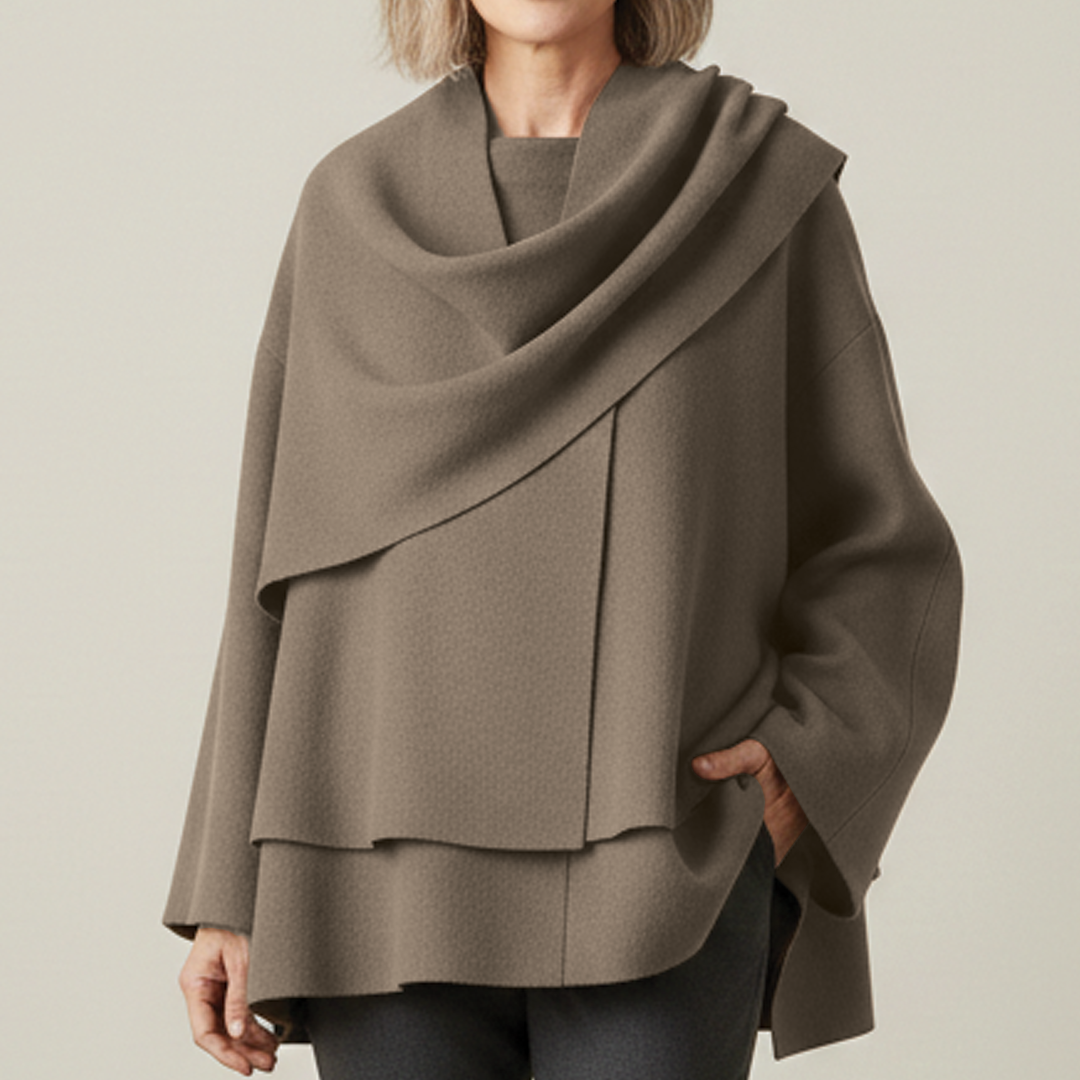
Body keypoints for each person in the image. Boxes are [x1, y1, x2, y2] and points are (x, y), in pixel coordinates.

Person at [164, 2, 963, 1077]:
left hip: (661, 865)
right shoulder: (353, 205)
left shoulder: (753, 185)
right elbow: (275, 562)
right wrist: (226, 888)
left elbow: (880, 541)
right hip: (374, 873)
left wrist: (803, 764)